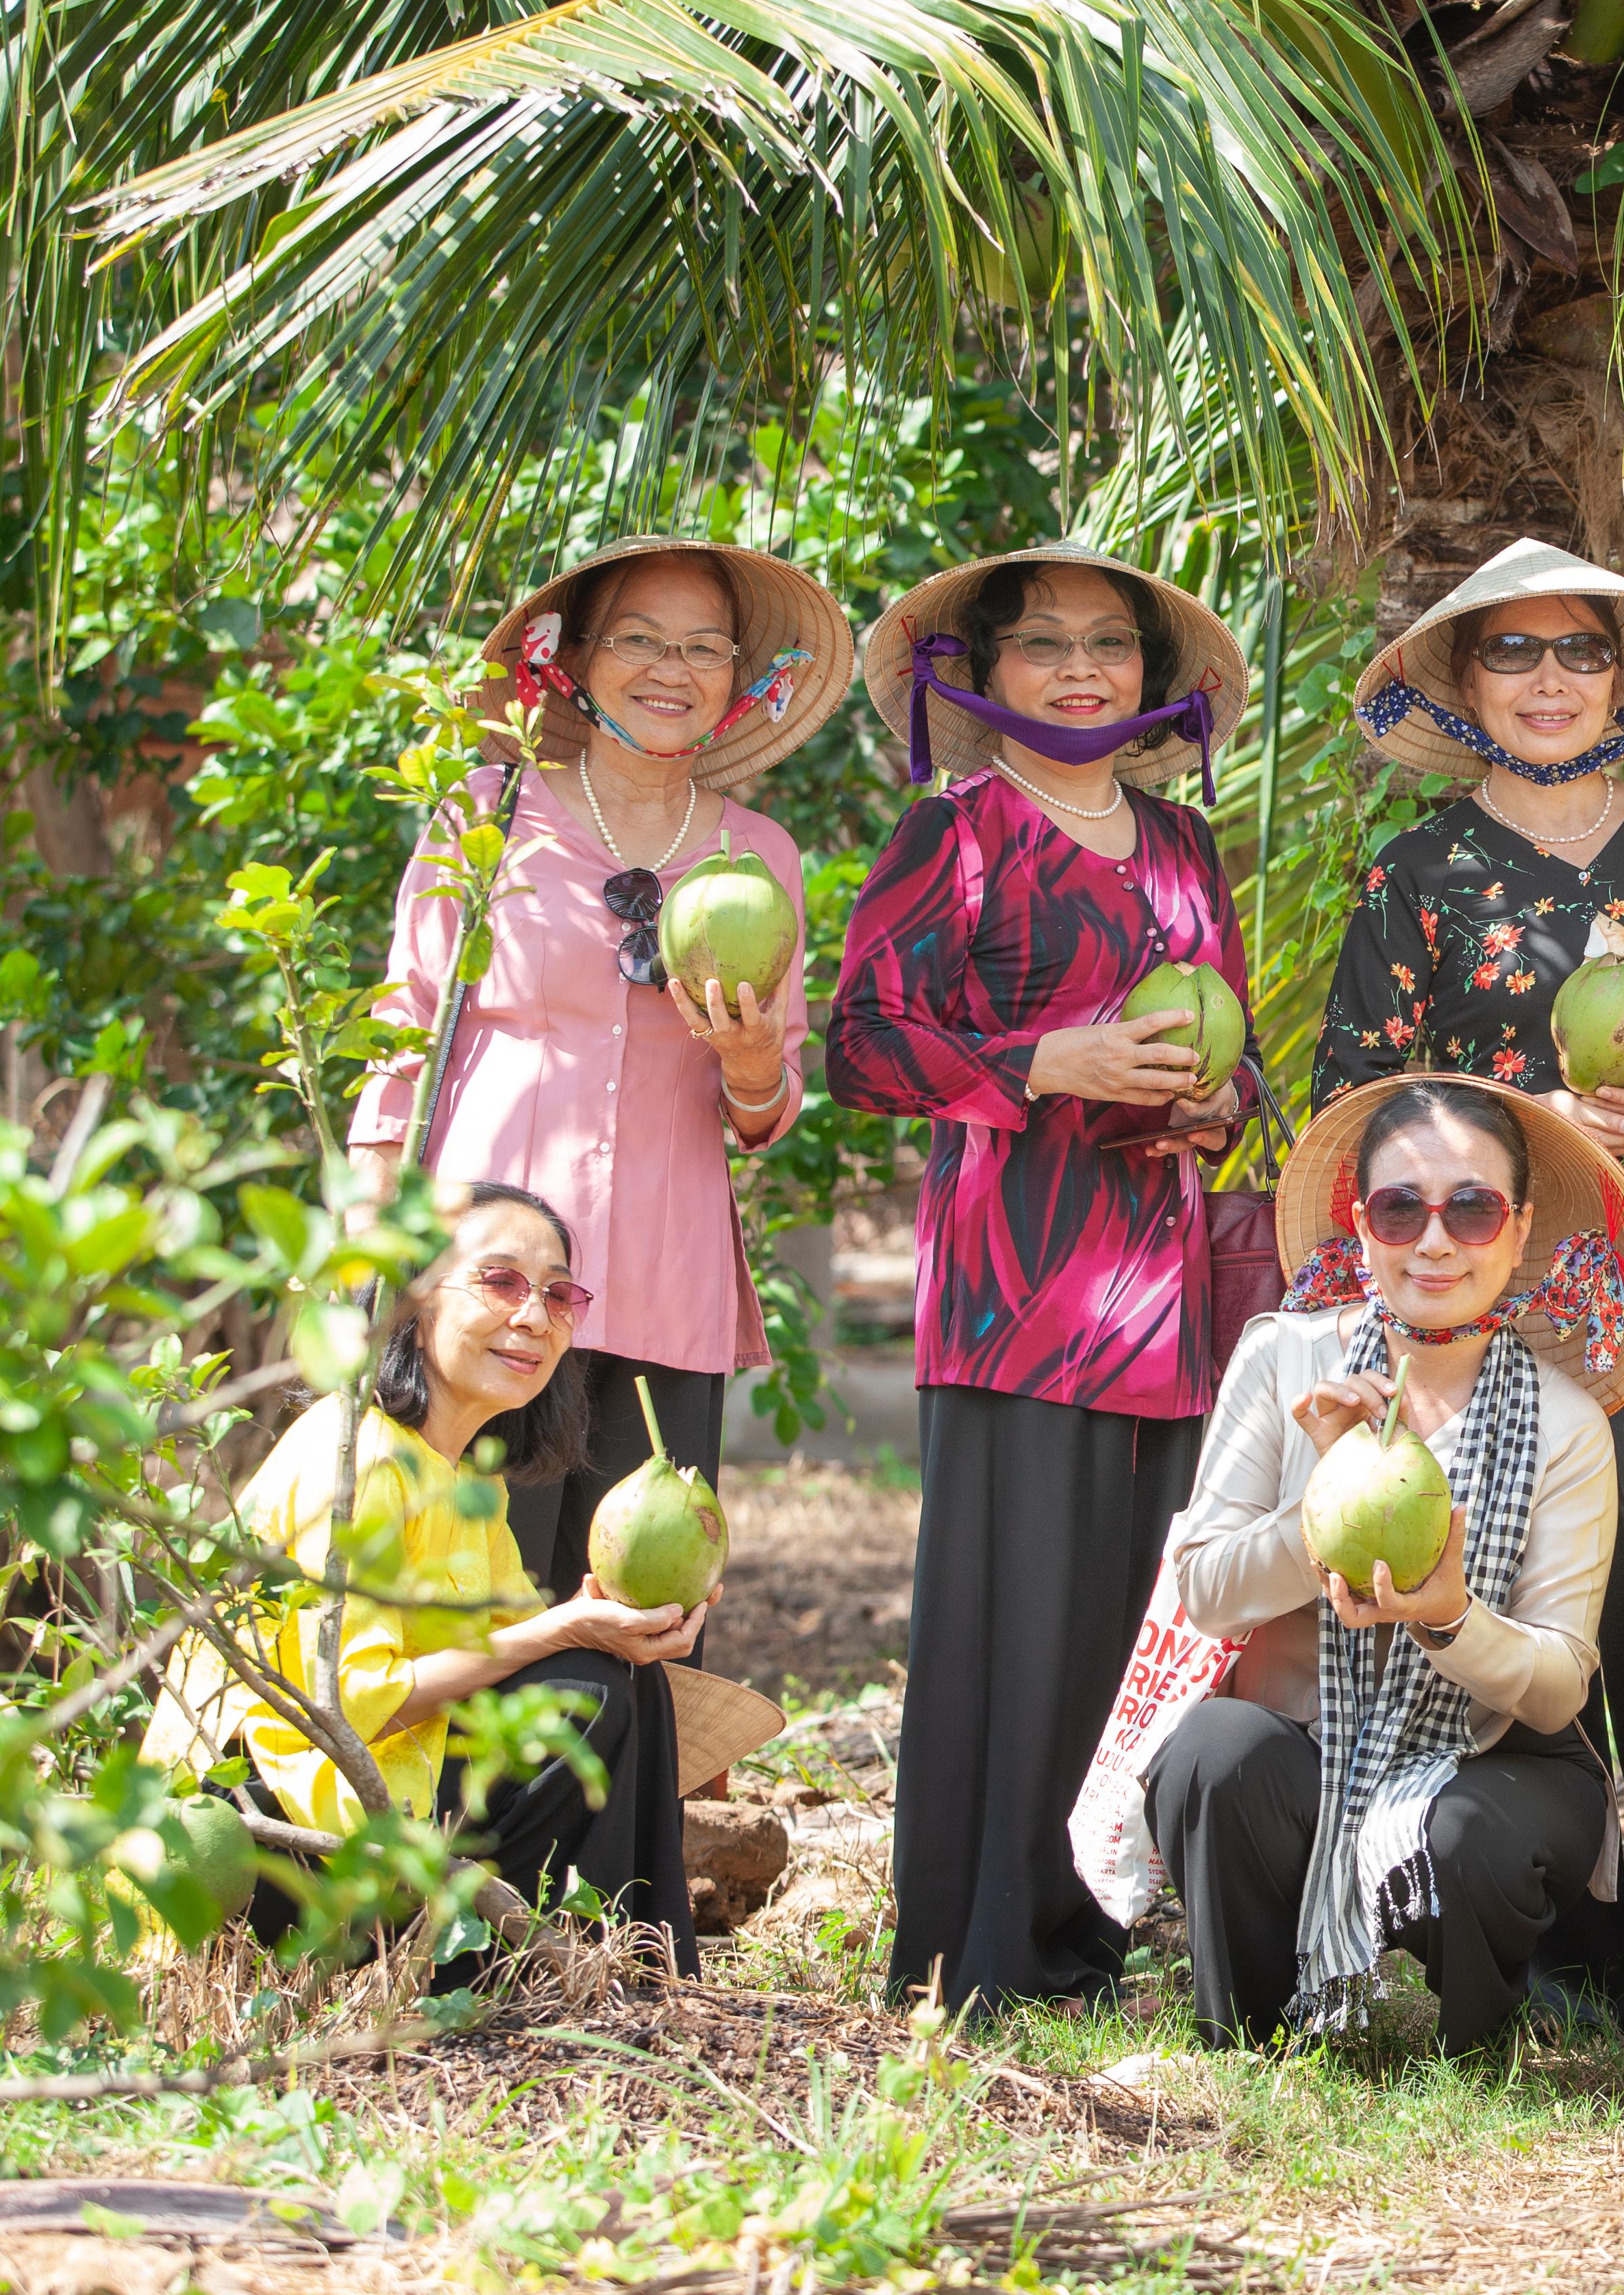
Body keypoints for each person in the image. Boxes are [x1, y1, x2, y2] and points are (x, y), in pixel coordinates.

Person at [1319, 536, 1624, 2039]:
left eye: (1577, 653)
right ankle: (1569, 1967)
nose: (1549, 681)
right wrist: (1534, 1103)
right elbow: (1360, 1094)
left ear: (1623, 677)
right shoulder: (1422, 874)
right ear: (1464, 683)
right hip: (1495, 1316)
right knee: (1535, 1624)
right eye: (1513, 655)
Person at [832, 543, 1256, 2013]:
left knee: (1126, 1620)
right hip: (1016, 1280)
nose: (1083, 668)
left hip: (1164, 1285)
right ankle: (976, 1951)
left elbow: (1237, 1045)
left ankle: (1086, 1943)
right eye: (1047, 645)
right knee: (1009, 1620)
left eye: (1112, 646)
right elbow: (863, 1045)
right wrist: (1040, 1060)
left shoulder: (1190, 848)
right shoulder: (951, 831)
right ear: (986, 675)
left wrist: (1223, 1100)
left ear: (1153, 681)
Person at [349, 538, 846, 1608]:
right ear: (571, 659)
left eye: (705, 647)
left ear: (737, 679)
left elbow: (765, 1111)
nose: (673, 667)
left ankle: (629, 1787)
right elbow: (406, 1033)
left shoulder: (759, 855)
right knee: (469, 1598)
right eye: (639, 638)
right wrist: (370, 1244)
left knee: (643, 1594)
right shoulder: (486, 814)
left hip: (668, 1279)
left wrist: (754, 1063)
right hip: (486, 1281)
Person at [1145, 1076, 1624, 2052]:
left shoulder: (1564, 1424)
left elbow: (1557, 1688)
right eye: (1402, 1208)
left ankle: (1477, 2047)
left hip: (1488, 1760)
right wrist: (1323, 1500)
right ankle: (1252, 2038)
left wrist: (1450, 1617)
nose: (1434, 1241)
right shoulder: (1282, 1360)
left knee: (1474, 1833)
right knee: (1215, 1756)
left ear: (1517, 1232)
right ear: (1361, 1224)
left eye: (1472, 1210)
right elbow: (1205, 1592)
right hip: (1314, 1749)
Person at [142, 1185, 717, 1972]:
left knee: (611, 1678)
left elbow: (518, 1653)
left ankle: (626, 1968)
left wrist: (610, 1617)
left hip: (388, 1807)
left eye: (558, 1294)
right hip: (268, 1834)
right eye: (501, 1281)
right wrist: (563, 1632)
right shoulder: (362, 1455)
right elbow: (342, 1709)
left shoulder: (465, 1482)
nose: (533, 1317)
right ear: (410, 1300)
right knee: (588, 1691)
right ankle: (483, 1971)